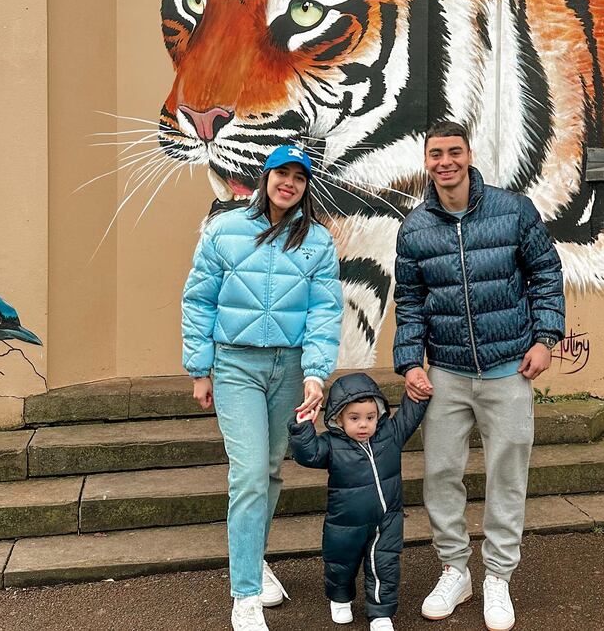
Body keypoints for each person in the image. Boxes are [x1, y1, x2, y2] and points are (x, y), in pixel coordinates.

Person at [393, 120, 565, 631]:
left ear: (469, 155)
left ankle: (498, 577)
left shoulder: (513, 211)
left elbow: (546, 273)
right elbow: (409, 301)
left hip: (508, 366)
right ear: (426, 162)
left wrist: (544, 338)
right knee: (441, 473)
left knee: (505, 474)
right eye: (435, 154)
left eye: (453, 152)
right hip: (445, 372)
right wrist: (409, 362)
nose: (445, 162)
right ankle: (454, 570)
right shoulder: (415, 228)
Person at [182, 145, 344, 631]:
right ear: (265, 176)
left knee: (271, 470)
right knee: (249, 472)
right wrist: (199, 368)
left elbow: (324, 312)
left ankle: (253, 559)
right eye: (281, 173)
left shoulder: (317, 241)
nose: (289, 183)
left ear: (305, 186)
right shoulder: (225, 229)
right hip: (236, 365)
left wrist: (316, 373)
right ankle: (245, 594)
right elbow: (199, 298)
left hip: (290, 369)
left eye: (299, 176)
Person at [288, 372, 428, 631]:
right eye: (354, 418)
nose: (363, 424)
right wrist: (302, 427)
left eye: (370, 417)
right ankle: (340, 598)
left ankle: (380, 612)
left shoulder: (391, 434)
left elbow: (410, 415)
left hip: (387, 519)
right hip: (344, 523)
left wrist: (418, 393)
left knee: (385, 564)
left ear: (380, 415)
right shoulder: (330, 445)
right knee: (341, 563)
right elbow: (307, 455)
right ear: (338, 418)